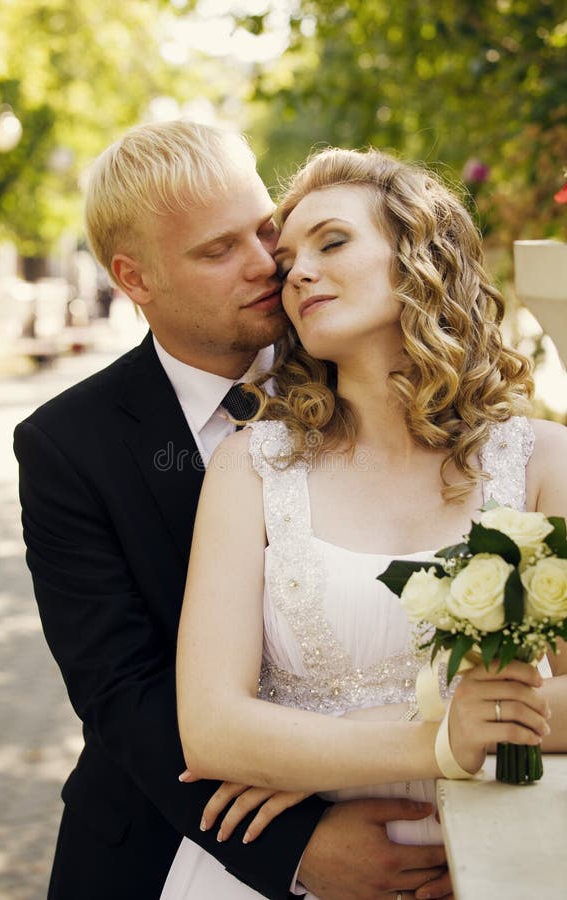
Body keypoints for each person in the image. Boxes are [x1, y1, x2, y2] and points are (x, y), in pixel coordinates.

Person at [14, 123, 453, 900]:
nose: (266, 265)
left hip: (424, 826)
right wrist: (296, 849)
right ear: (135, 278)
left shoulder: (361, 356)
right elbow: (123, 688)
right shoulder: (66, 446)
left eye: (263, 229)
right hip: (166, 839)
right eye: (217, 252)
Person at [168, 146, 567, 899]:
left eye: (333, 241)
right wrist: (439, 738)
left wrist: (328, 742)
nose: (298, 273)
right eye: (288, 261)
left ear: (420, 251)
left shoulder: (543, 461)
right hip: (292, 872)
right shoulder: (252, 466)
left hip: (494, 859)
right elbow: (213, 728)